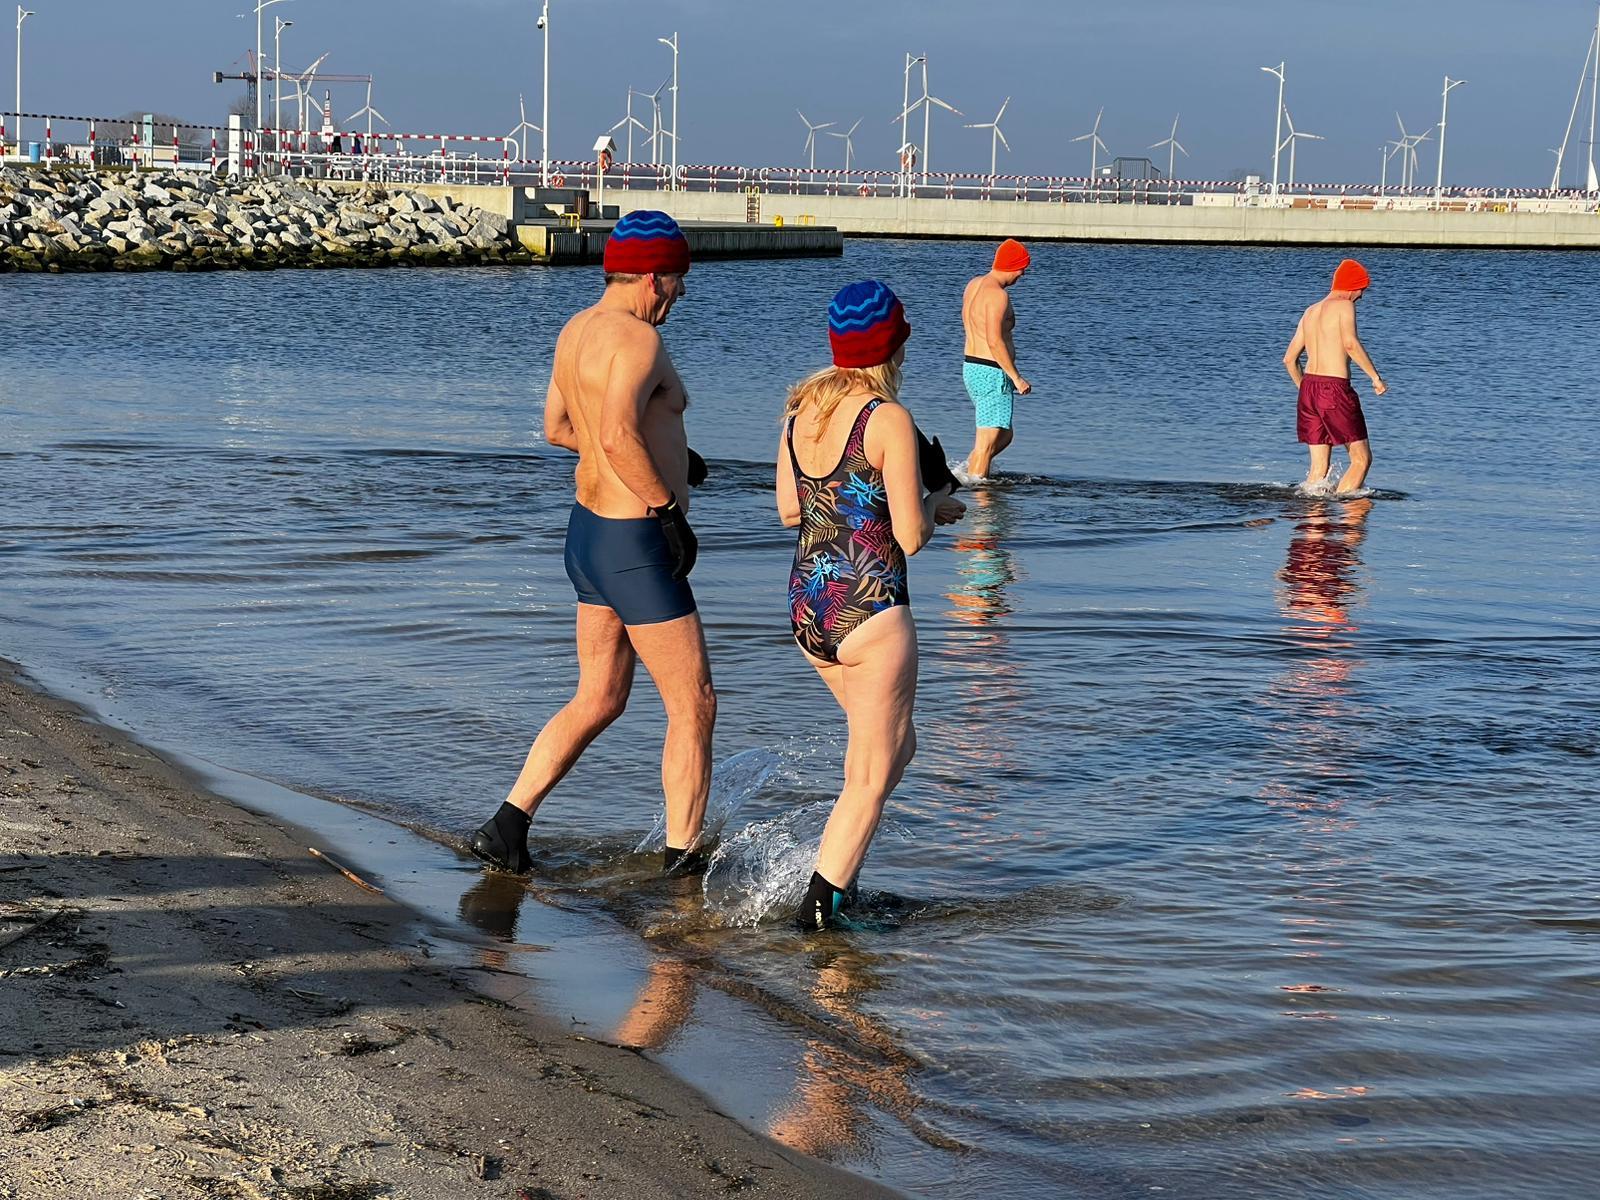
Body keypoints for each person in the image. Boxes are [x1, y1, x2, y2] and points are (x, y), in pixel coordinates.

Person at [472, 210, 716, 876]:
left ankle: (507, 825)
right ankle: (682, 867)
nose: (681, 295)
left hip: (587, 536)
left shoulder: (576, 330)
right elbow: (614, 434)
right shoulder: (637, 341)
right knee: (693, 702)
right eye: (679, 280)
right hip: (635, 541)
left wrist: (671, 461)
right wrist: (667, 507)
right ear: (654, 277)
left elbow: (558, 427)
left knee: (600, 697)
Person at [776, 280, 966, 931]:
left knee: (895, 747)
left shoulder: (801, 410)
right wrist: (932, 501)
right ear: (895, 346)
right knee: (870, 773)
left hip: (810, 606)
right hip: (872, 606)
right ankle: (820, 915)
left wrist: (901, 494)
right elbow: (911, 536)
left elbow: (789, 509)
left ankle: (839, 876)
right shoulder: (888, 419)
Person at [1283, 258, 1388, 494]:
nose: (1361, 296)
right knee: (1361, 460)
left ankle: (1313, 524)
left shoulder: (1310, 311)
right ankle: (1349, 523)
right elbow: (1350, 344)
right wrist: (1375, 377)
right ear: (1354, 286)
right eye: (1362, 289)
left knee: (1318, 468)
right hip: (1334, 388)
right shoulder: (1344, 306)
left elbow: (1289, 359)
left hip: (1308, 389)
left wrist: (1307, 392)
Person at [961, 238, 1033, 480]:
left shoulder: (974, 285)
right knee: (988, 441)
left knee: (1002, 434)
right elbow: (994, 341)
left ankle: (966, 473)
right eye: (1023, 268)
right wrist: (1016, 377)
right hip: (992, 372)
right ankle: (981, 504)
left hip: (972, 367)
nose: (1022, 275)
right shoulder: (997, 296)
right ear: (1014, 266)